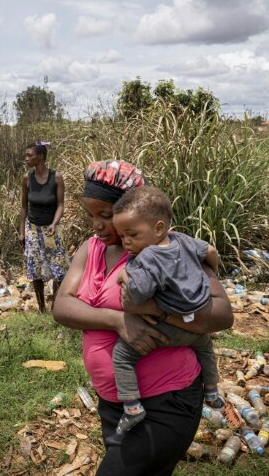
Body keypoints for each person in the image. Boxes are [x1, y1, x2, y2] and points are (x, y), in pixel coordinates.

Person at [52, 159, 233, 476]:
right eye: (91, 215)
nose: (97, 225)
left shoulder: (169, 250)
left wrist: (159, 311)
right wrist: (117, 320)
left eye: (106, 216)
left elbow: (221, 316)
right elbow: (62, 307)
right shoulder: (91, 248)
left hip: (167, 399)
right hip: (115, 402)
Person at [107, 186, 223, 446]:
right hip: (195, 326)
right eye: (122, 235)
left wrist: (125, 275)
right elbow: (212, 252)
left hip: (167, 327)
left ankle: (132, 407)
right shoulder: (182, 240)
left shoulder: (147, 257)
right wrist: (211, 275)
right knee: (205, 347)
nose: (125, 242)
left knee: (122, 355)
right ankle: (213, 391)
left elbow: (138, 294)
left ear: (158, 228)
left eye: (132, 234)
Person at [19, 142, 67, 313]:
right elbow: (24, 207)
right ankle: (41, 309)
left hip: (51, 229)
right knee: (35, 269)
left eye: (29, 155)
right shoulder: (27, 178)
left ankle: (56, 306)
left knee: (58, 269)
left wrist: (54, 224)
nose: (26, 159)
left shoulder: (56, 177)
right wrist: (21, 232)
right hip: (32, 229)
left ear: (40, 156)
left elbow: (60, 205)